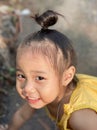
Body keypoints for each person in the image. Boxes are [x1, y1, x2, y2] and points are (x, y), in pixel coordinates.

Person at [1, 10, 97, 130]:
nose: (27, 88)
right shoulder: (40, 93)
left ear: (67, 77)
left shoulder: (80, 117)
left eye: (40, 78)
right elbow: (21, 115)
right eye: (21, 75)